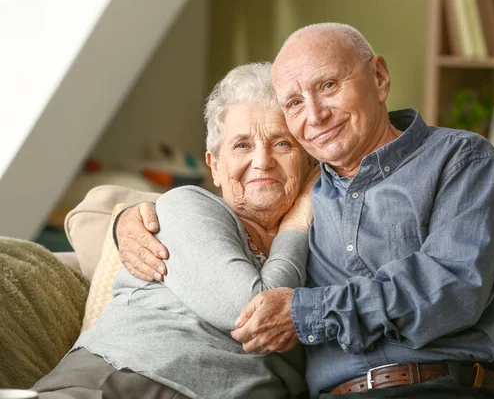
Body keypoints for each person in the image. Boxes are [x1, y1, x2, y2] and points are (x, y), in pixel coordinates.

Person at [116, 23, 494, 399]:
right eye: (295, 103)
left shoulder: (458, 158)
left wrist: (307, 313)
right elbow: (234, 214)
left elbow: (453, 285)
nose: (315, 115)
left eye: (329, 86)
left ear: (379, 77)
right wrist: (127, 219)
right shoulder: (302, 198)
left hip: (445, 384)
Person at [31, 63, 319, 399]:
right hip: (126, 381)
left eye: (282, 143)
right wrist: (297, 222)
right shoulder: (187, 206)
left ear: (309, 160)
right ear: (214, 166)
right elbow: (255, 312)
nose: (262, 160)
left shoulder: (328, 243)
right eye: (242, 145)